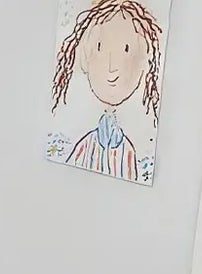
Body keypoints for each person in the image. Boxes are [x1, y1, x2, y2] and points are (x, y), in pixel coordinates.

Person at [52, 0, 166, 182]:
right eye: (100, 47)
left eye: (126, 50)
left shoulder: (128, 153)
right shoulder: (84, 146)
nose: (112, 67)